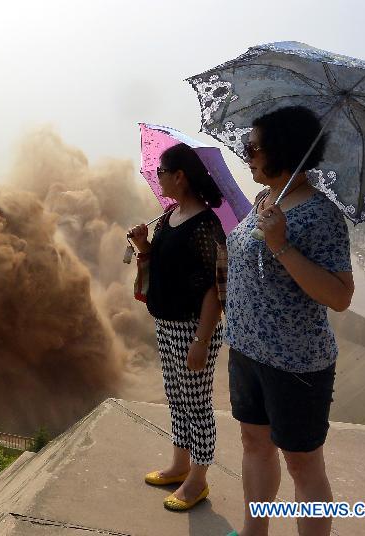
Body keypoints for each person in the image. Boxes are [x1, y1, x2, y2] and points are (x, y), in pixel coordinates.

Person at [224, 106, 353, 536]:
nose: (248, 155)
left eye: (254, 147)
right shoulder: (265, 200)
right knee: (254, 444)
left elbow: (340, 296)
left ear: (285, 151)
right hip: (247, 350)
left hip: (295, 364)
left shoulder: (321, 215)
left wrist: (280, 245)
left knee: (302, 465)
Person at [128, 143, 226, 511]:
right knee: (176, 396)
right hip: (166, 323)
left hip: (192, 328)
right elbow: (166, 266)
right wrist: (143, 245)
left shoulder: (207, 225)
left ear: (180, 176)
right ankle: (179, 464)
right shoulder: (169, 215)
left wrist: (201, 340)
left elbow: (215, 289)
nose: (158, 179)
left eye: (162, 173)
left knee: (197, 404)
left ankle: (198, 481)